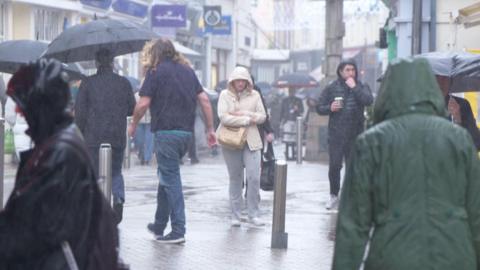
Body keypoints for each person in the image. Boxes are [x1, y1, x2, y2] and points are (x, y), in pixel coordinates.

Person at [332, 58, 480, 270]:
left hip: (392, 257)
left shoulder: (371, 143)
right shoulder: (459, 141)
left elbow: (353, 224)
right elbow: (476, 214)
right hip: (455, 258)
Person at [0, 59, 123, 269]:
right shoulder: (56, 142)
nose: (21, 114)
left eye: (24, 108)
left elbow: (32, 226)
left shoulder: (59, 153)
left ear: (40, 107)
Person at [128, 38, 216, 244]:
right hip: (186, 135)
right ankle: (159, 224)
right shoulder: (187, 71)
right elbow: (204, 100)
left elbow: (143, 104)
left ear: (154, 54)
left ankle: (178, 230)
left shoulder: (155, 72)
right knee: (166, 176)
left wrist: (133, 124)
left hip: (166, 133)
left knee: (171, 179)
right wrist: (210, 128)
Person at [74, 48, 135, 224]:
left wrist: (80, 130)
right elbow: (132, 108)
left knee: (93, 172)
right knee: (115, 171)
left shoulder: (88, 83)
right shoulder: (123, 83)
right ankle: (118, 199)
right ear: (112, 62)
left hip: (93, 136)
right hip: (116, 135)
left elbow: (80, 112)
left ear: (97, 63)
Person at [316, 58, 373, 209]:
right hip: (336, 135)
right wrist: (330, 107)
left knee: (353, 167)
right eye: (347, 70)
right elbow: (319, 107)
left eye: (353, 70)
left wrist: (354, 87)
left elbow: (368, 100)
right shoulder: (332, 88)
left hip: (356, 134)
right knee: (334, 166)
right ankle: (334, 195)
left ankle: (350, 197)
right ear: (341, 72)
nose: (350, 73)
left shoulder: (361, 86)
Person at [217, 66, 267, 227]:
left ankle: (253, 214)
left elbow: (262, 117)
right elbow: (224, 118)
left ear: (247, 82)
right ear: (232, 81)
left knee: (253, 178)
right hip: (231, 141)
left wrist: (245, 114)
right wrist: (246, 120)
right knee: (235, 179)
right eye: (237, 80)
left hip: (251, 141)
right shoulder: (225, 95)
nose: (240, 83)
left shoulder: (255, 95)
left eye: (243, 80)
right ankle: (235, 215)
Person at [436, 75, 480, 150]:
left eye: (445, 77)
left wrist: (457, 120)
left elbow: (476, 144)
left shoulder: (462, 104)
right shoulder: (420, 106)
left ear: (451, 80)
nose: (441, 82)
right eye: (436, 76)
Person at [280, 87, 304, 159]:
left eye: (292, 91)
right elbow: (282, 111)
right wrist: (280, 121)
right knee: (287, 138)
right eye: (290, 91)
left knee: (294, 138)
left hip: (296, 121)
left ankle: (294, 154)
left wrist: (297, 109)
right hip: (287, 121)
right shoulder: (285, 100)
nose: (291, 92)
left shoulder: (298, 100)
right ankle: (287, 154)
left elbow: (302, 110)